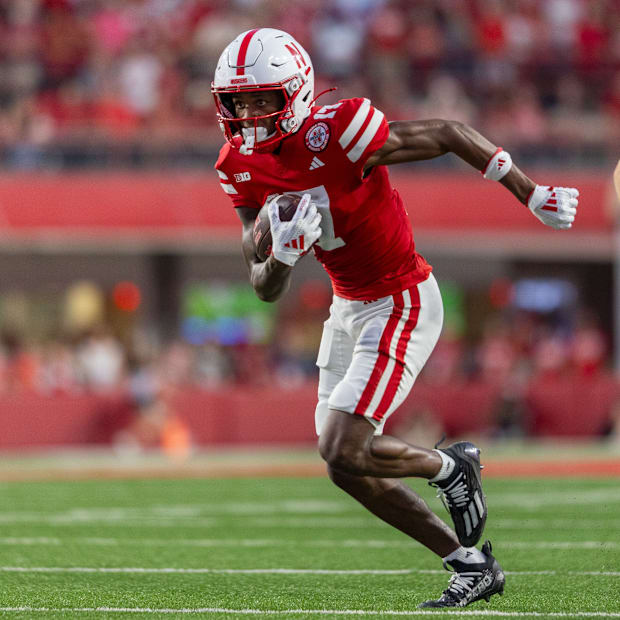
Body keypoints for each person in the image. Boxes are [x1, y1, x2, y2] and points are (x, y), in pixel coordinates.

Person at [212, 28, 579, 608]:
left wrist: (530, 193)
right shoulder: (239, 164)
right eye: (239, 102)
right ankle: (470, 563)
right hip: (347, 304)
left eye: (262, 99)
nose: (249, 114)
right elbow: (262, 286)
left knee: (342, 444)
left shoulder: (337, 132)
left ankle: (449, 466)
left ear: (297, 92)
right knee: (344, 466)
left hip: (401, 296)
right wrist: (281, 255)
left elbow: (448, 133)